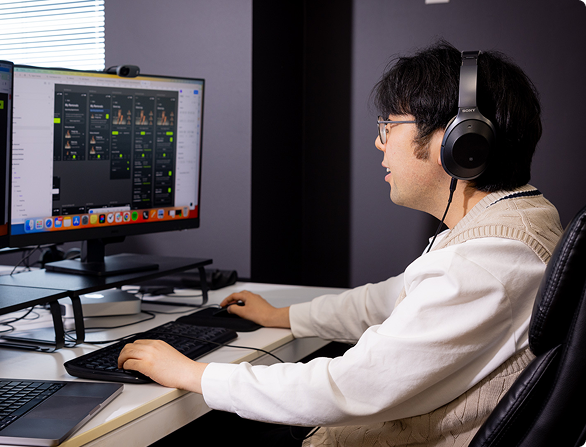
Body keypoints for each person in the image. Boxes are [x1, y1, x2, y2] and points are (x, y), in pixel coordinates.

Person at [118, 41, 564, 446]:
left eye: (389, 125)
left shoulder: (481, 265)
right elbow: (386, 300)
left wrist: (193, 373)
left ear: (461, 141)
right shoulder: (512, 225)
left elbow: (346, 387)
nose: (378, 142)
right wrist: (283, 316)